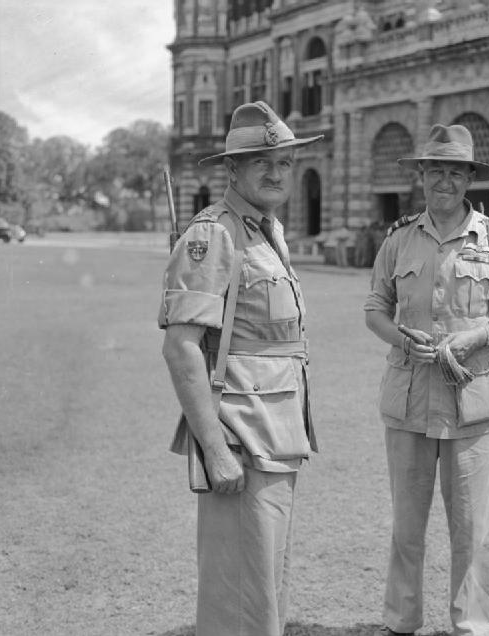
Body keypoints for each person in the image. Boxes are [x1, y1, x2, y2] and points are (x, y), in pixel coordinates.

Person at [364, 124, 489, 636]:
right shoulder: (397, 239)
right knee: (406, 528)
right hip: (409, 400)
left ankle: (474, 625)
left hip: (472, 401)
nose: (445, 180)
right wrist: (399, 338)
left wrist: (475, 337)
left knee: (472, 530)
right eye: (436, 169)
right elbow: (375, 308)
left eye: (455, 172)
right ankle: (400, 622)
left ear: (470, 179)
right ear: (422, 175)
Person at [159, 101, 320, 636]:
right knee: (238, 601)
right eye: (261, 162)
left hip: (277, 435)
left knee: (264, 589)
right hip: (240, 439)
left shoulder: (266, 231)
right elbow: (182, 347)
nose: (276, 173)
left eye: (285, 163)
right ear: (232, 170)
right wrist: (213, 450)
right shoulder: (216, 235)